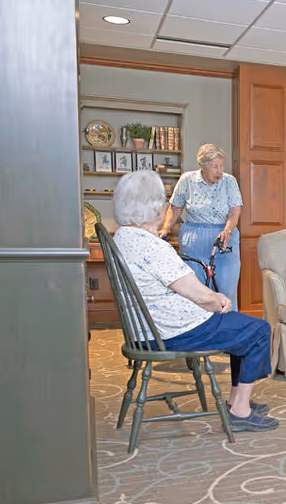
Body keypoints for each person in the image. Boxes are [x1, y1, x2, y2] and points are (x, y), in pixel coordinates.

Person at [113, 171, 276, 433]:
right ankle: (240, 412)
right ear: (155, 208)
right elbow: (199, 295)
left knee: (238, 327)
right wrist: (218, 300)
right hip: (169, 331)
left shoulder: (122, 237)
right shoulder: (153, 247)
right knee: (257, 330)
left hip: (145, 329)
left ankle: (236, 399)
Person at [159, 144, 244, 310]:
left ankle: (228, 332)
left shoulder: (229, 182)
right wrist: (165, 229)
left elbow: (235, 211)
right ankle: (201, 332)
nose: (219, 171)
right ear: (201, 165)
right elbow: (175, 208)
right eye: (214, 167)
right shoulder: (187, 180)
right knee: (195, 292)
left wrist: (227, 230)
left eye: (221, 166)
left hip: (223, 240)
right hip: (194, 240)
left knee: (227, 290)